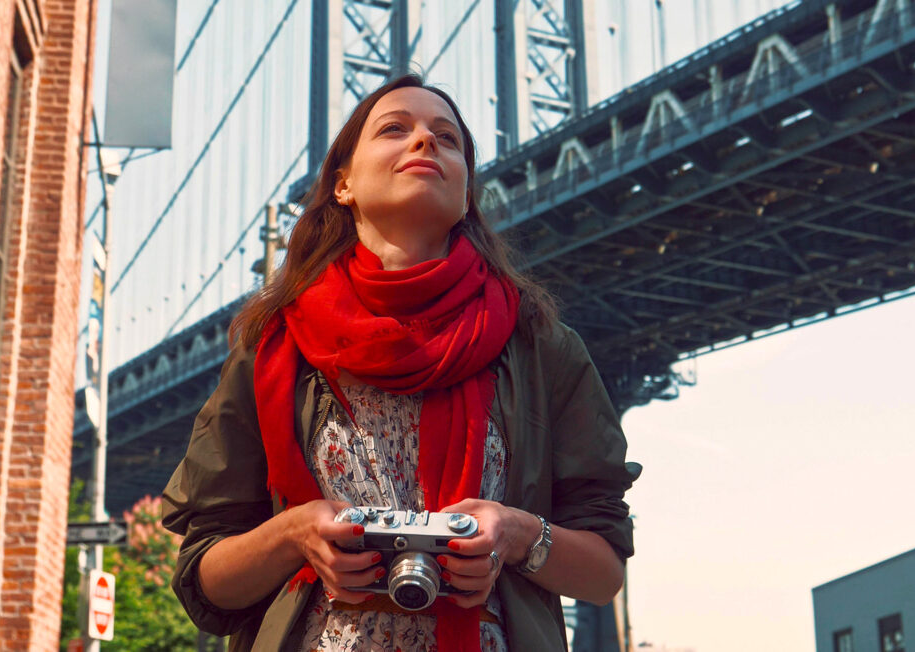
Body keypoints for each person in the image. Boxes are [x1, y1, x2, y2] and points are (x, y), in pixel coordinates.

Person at [161, 73, 636, 652]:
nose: (424, 141)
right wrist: (294, 534)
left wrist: (516, 533)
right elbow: (205, 580)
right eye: (394, 129)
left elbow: (603, 573)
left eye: (447, 138)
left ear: (466, 193)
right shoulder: (274, 344)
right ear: (343, 184)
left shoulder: (541, 345)